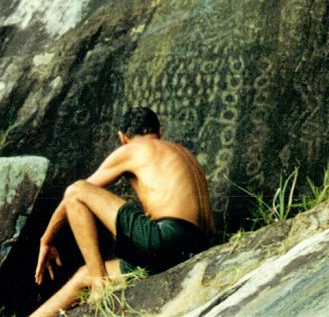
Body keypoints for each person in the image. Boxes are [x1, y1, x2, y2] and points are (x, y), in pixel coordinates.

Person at [31, 107, 215, 317]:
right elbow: (209, 225)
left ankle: (101, 291)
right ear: (160, 130)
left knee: (76, 190)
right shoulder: (187, 155)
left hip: (164, 239)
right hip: (196, 247)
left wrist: (46, 240)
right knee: (84, 275)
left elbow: (72, 196)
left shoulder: (133, 149)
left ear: (123, 138)